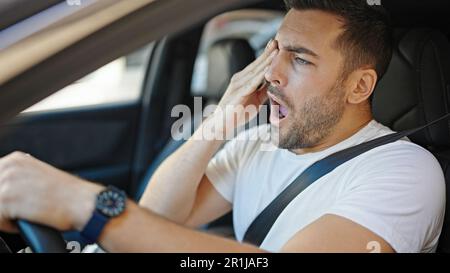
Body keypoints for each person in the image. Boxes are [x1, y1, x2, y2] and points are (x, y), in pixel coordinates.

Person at [0, 0, 445, 253]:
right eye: (274, 51)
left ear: (359, 85)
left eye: (301, 59)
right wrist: (219, 119)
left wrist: (91, 206)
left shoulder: (406, 173)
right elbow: (157, 218)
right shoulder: (258, 141)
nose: (271, 73)